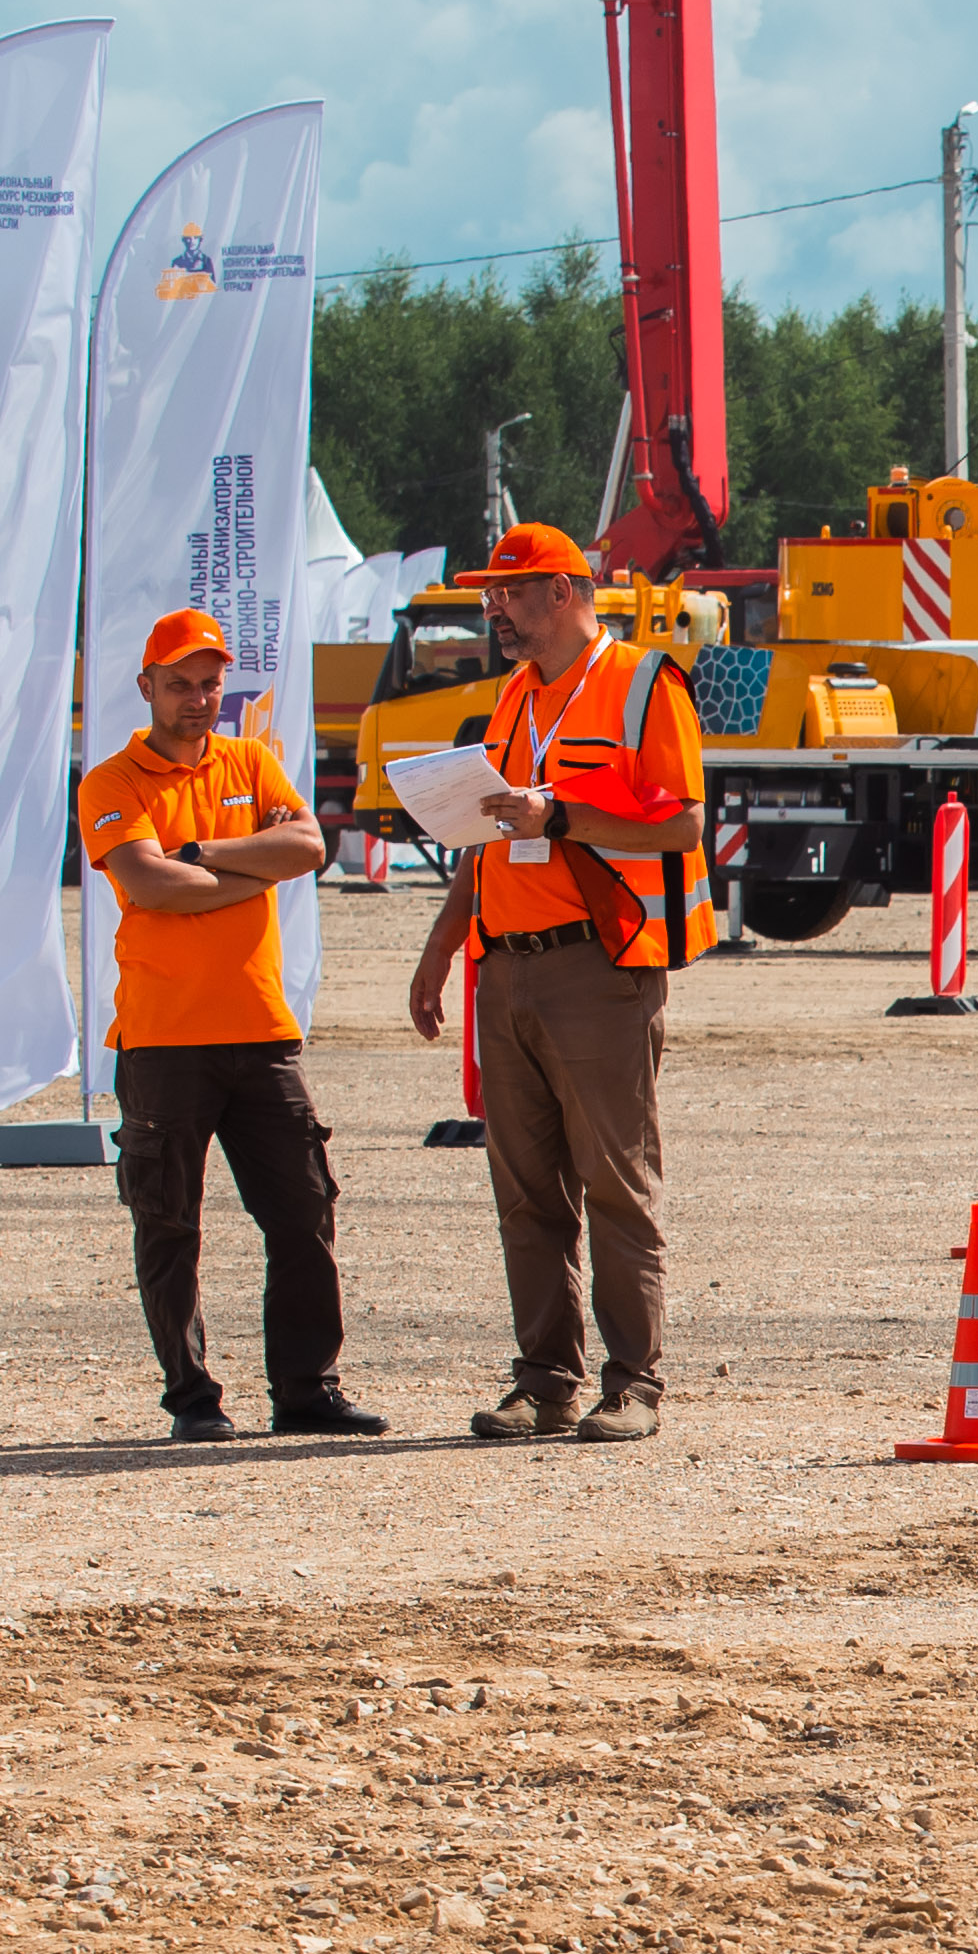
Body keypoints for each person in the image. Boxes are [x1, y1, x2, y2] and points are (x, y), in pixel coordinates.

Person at [403, 520, 702, 1444]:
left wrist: (561, 813)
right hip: (509, 969)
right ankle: (545, 1381)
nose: (493, 608)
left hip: (601, 966)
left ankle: (634, 1385)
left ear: (562, 593)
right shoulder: (512, 699)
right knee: (526, 1190)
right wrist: (441, 947)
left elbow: (684, 826)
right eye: (490, 593)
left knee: (614, 1180)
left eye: (508, 591)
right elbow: (490, 837)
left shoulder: (643, 684)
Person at [80, 606, 381, 1444]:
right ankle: (193, 1399)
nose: (197, 698)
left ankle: (306, 1392)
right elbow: (149, 887)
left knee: (304, 1211)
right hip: (163, 1038)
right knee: (171, 1224)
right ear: (146, 687)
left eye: (209, 683)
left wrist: (206, 854)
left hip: (258, 1030)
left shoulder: (252, 760)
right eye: (178, 684)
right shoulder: (112, 782)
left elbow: (310, 848)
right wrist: (254, 864)